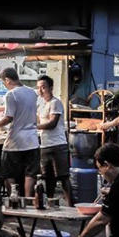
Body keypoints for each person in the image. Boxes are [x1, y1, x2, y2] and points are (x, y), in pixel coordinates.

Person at [0, 67, 39, 197]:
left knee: (8, 173)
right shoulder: (32, 92)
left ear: (7, 80)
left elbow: (9, 117)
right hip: (32, 141)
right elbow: (23, 109)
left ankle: (14, 202)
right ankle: (28, 202)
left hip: (15, 142)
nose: (5, 85)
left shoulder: (11, 94)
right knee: (30, 174)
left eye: (3, 83)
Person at [36, 75, 73, 206]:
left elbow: (52, 123)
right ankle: (50, 204)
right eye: (38, 88)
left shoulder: (55, 103)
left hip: (58, 145)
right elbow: (40, 122)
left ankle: (70, 206)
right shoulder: (41, 105)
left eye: (43, 87)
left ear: (50, 88)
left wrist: (34, 126)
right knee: (48, 178)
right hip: (45, 146)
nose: (40, 90)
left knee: (63, 177)